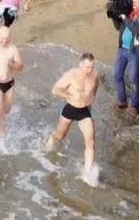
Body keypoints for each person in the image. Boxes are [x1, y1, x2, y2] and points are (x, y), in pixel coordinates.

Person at [43, 52, 100, 186]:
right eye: (87, 67)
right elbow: (55, 90)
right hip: (70, 109)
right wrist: (69, 95)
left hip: (84, 111)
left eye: (91, 67)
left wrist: (90, 100)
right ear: (80, 65)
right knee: (59, 136)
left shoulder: (95, 75)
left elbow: (94, 89)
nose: (89, 70)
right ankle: (50, 141)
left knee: (90, 143)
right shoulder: (72, 75)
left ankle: (88, 174)